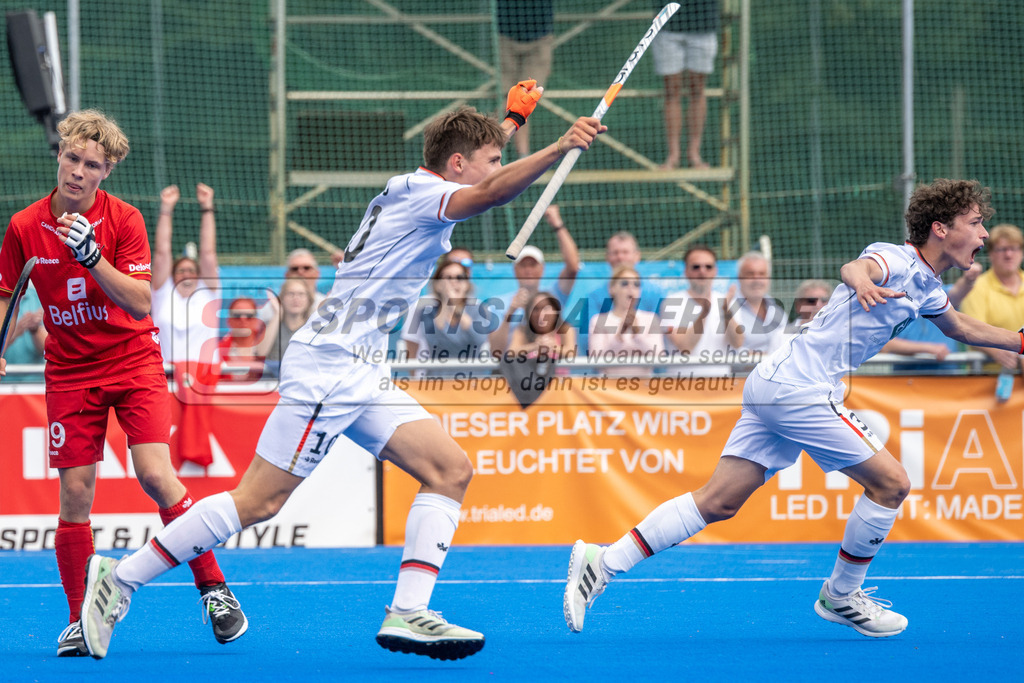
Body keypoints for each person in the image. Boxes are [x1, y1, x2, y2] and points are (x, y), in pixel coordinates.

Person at [79, 87, 606, 660]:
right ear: (457, 165)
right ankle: (120, 579)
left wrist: (512, 119)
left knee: (450, 468)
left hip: (362, 369)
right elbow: (488, 189)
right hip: (330, 367)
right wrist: (557, 145)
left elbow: (479, 161)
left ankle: (409, 611)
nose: (497, 162)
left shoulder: (422, 182)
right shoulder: (428, 193)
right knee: (257, 502)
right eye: (491, 156)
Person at [563, 178, 1023, 639]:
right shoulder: (897, 260)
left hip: (774, 382)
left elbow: (959, 325)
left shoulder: (927, 283)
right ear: (940, 228)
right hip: (800, 388)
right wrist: (863, 280)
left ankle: (603, 561)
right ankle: (841, 596)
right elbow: (856, 267)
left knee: (719, 501)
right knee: (893, 484)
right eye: (977, 222)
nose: (985, 234)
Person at [0, 109, 246, 657]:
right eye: (71, 159)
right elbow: (6, 294)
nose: (78, 172)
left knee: (156, 475)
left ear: (106, 170)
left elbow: (139, 302)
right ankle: (79, 619)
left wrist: (91, 256)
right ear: (59, 157)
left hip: (132, 361)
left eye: (92, 164)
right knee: (74, 495)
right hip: (68, 371)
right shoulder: (23, 226)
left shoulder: (126, 220)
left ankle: (214, 589)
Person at [150, 183, 222, 466]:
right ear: (171, 275)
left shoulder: (209, 293)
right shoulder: (162, 294)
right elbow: (162, 253)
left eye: (192, 270)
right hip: (167, 381)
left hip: (206, 379)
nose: (188, 273)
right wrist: (166, 209)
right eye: (181, 270)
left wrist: (207, 208)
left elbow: (208, 254)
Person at [489, 204, 580, 354]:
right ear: (515, 270)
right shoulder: (500, 305)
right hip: (511, 373)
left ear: (542, 268)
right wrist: (510, 312)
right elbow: (496, 351)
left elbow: (572, 267)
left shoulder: (553, 295)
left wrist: (558, 225)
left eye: (533, 265)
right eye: (523, 265)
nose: (528, 270)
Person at [651, 0, 720, 169]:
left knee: (697, 90)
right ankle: (673, 156)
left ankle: (694, 154)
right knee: (671, 91)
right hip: (667, 26)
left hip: (703, 25)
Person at [580, 231, 666, 354]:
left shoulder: (655, 294)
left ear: (637, 256)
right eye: (615, 253)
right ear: (607, 257)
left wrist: (637, 335)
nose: (620, 257)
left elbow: (662, 344)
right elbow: (588, 344)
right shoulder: (594, 297)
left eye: (625, 252)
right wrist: (619, 336)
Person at [661, 244, 742, 374]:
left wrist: (726, 313)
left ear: (715, 271)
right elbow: (685, 347)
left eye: (708, 267)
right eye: (696, 267)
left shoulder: (728, 302)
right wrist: (704, 313)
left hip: (721, 386)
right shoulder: (671, 302)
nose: (702, 271)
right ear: (686, 271)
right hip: (681, 387)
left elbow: (737, 343)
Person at [401, 258, 490, 374]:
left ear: (467, 284)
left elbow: (479, 339)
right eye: (448, 278)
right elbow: (435, 340)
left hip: (472, 381)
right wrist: (446, 303)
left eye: (459, 278)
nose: (454, 282)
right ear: (437, 285)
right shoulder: (427, 311)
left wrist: (456, 308)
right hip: (437, 382)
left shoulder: (478, 309)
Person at [960, 224, 1024, 375]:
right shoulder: (977, 287)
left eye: (1014, 248)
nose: (1008, 255)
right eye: (1002, 249)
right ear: (991, 254)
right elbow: (970, 331)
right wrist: (998, 352)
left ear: (1021, 252)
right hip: (987, 380)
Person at [496, 0, 554, 159]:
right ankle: (491, 149)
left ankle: (523, 156)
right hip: (505, 36)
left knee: (527, 100)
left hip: (539, 38)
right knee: (503, 102)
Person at [588, 266, 666, 377]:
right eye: (625, 283)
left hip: (643, 386)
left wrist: (637, 335)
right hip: (609, 388)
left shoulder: (651, 318)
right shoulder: (598, 321)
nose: (631, 288)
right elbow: (596, 360)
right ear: (612, 289)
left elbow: (659, 357)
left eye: (636, 284)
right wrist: (618, 337)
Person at [733, 251, 787, 357]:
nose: (757, 279)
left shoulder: (778, 311)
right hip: (740, 372)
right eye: (750, 274)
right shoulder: (728, 309)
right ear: (740, 277)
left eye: (762, 274)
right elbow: (727, 349)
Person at [508, 290, 578, 368]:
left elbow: (572, 353)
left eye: (546, 308)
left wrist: (552, 347)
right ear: (529, 312)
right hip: (529, 377)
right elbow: (511, 353)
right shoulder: (522, 330)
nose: (541, 314)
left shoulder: (565, 329)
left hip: (559, 378)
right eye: (536, 309)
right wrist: (535, 346)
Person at [261, 278, 316, 376]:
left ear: (309, 300)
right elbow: (260, 353)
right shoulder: (271, 325)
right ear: (282, 298)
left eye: (301, 294)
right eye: (290, 294)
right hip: (273, 382)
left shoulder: (314, 328)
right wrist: (277, 315)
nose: (296, 298)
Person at [217, 296, 271, 382]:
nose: (243, 320)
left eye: (249, 316)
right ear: (229, 320)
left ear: (256, 320)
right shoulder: (217, 351)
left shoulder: (268, 346)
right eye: (237, 316)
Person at [1, 282, 47, 381]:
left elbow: (47, 350)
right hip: (5, 382)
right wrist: (15, 332)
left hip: (34, 382)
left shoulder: (38, 297)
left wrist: (35, 330)